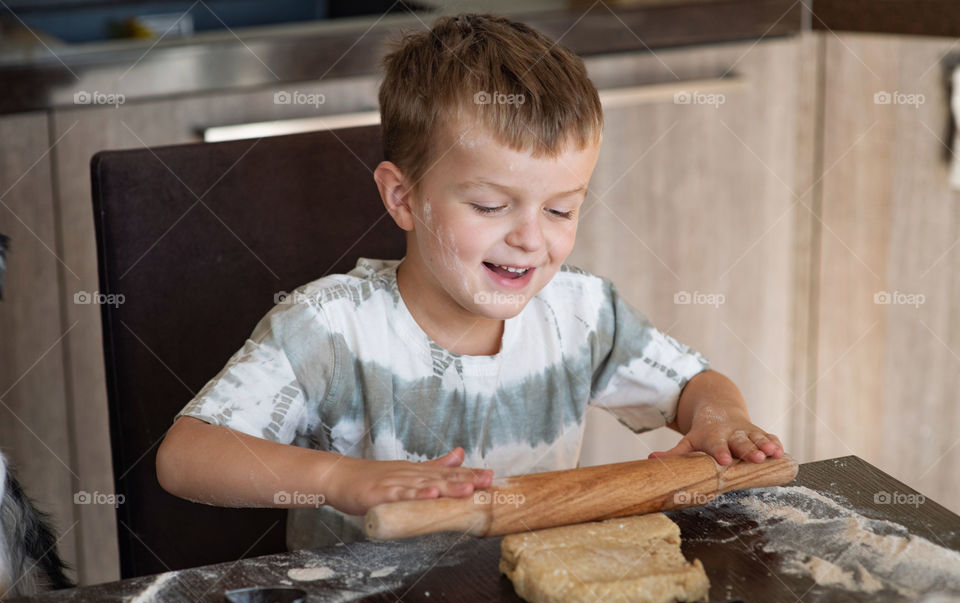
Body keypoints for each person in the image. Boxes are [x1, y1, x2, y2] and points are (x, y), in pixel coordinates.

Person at [156, 13, 785, 550]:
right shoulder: (331, 325)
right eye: (489, 206)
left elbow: (695, 387)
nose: (531, 239)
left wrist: (721, 418)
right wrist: (339, 480)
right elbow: (186, 456)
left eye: (561, 209)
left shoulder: (582, 314)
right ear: (403, 197)